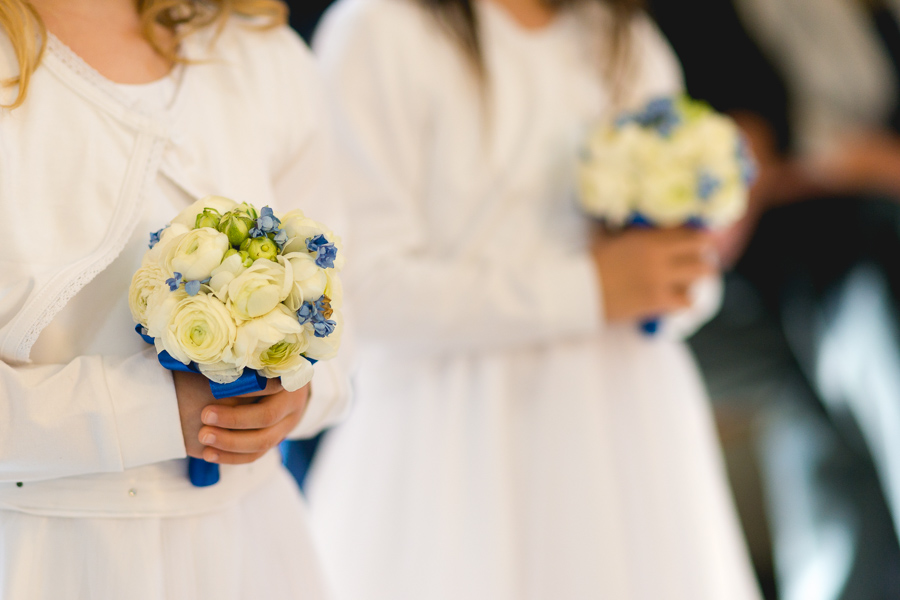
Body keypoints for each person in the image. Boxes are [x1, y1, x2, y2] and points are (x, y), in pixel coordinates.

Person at [305, 0, 761, 598]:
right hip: (453, 446)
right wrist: (590, 289)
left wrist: (676, 277)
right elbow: (360, 291)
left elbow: (689, 270)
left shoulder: (623, 36)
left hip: (628, 433)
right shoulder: (379, 30)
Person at [0, 0, 349, 598]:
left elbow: (343, 303)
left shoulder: (255, 51)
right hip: (44, 557)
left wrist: (299, 391)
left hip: (252, 547)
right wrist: (150, 412)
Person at [648, 0, 900, 598]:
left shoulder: (870, 20)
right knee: (869, 297)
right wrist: (843, 166)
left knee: (830, 391)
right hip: (757, 273)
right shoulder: (695, 20)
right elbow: (735, 160)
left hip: (848, 263)